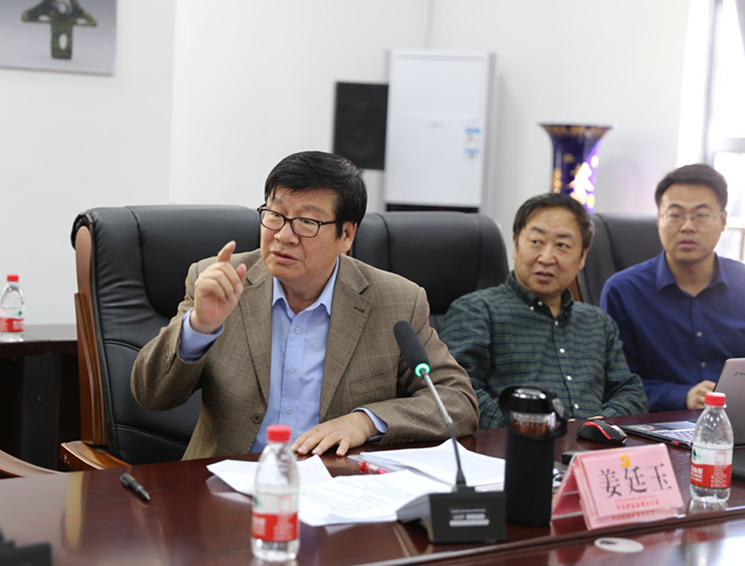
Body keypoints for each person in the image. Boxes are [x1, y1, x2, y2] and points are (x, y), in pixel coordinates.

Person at [131, 150, 479, 459]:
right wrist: (200, 326)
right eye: (275, 215)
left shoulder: (396, 300)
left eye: (307, 222)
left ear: (347, 235)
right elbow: (150, 395)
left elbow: (457, 401)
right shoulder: (219, 281)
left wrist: (365, 422)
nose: (283, 236)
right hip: (224, 484)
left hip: (336, 487)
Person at [440, 192, 648, 428]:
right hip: (514, 445)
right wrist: (535, 426)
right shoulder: (476, 311)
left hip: (592, 446)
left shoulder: (598, 322)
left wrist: (598, 425)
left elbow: (630, 392)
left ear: (582, 256)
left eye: (562, 245)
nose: (547, 258)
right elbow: (457, 394)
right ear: (516, 244)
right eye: (536, 242)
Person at [600, 164, 745, 412]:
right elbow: (615, 385)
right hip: (657, 425)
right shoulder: (623, 291)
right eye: (675, 215)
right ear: (659, 219)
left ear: (722, 221)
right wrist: (681, 396)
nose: (687, 226)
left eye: (701, 215)